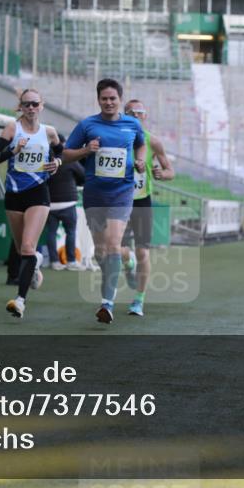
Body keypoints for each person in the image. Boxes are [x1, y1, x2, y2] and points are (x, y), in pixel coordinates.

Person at [63, 79, 146, 324]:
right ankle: (127, 259)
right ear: (98, 100)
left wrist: (140, 162)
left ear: (120, 99)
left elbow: (140, 145)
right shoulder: (87, 125)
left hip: (121, 193)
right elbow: (66, 154)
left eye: (113, 98)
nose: (109, 102)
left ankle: (106, 303)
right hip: (94, 194)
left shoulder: (132, 124)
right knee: (101, 251)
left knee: (111, 245)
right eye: (104, 98)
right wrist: (86, 151)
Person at [0, 89, 61, 319]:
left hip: (39, 192)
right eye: (26, 104)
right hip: (15, 194)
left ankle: (20, 301)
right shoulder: (12, 128)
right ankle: (35, 262)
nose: (30, 108)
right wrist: (13, 150)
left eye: (34, 104)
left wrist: (57, 161)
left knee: (28, 247)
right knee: (21, 250)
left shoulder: (49, 132)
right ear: (21, 106)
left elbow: (60, 150)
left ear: (42, 105)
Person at [120, 100, 174, 317]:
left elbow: (171, 171)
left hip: (142, 201)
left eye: (139, 113)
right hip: (119, 200)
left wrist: (162, 174)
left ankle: (139, 300)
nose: (136, 116)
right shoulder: (117, 137)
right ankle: (127, 261)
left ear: (145, 116)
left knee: (143, 251)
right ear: (124, 115)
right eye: (131, 113)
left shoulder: (153, 142)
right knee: (116, 248)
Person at [44, 141, 85, 271]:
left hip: (50, 204)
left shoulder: (45, 161)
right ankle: (71, 261)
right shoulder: (69, 160)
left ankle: (54, 261)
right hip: (68, 203)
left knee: (51, 232)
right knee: (71, 232)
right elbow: (83, 176)